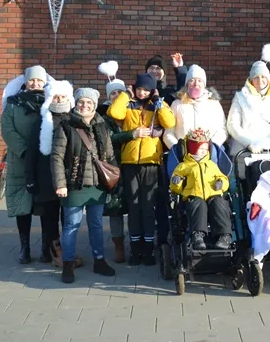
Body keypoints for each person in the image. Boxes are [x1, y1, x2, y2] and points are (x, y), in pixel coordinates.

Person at [50, 88, 117, 284]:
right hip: (74, 185)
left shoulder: (102, 126)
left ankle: (99, 260)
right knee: (71, 225)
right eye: (81, 102)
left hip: (98, 186)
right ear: (76, 104)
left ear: (95, 106)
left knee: (96, 225)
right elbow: (56, 157)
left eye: (89, 103)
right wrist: (60, 184)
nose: (84, 106)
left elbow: (110, 155)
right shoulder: (66, 126)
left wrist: (112, 179)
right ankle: (68, 263)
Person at [109, 73, 176, 266]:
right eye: (139, 89)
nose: (142, 92)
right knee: (134, 206)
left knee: (147, 207)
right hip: (130, 162)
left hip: (151, 161)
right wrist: (125, 94)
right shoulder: (128, 104)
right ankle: (135, 248)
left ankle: (148, 249)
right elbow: (114, 113)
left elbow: (170, 122)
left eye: (146, 90)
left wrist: (158, 101)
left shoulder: (156, 105)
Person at [0, 65, 49, 264]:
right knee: (23, 206)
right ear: (25, 82)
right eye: (32, 80)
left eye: (39, 80)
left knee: (46, 205)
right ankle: (24, 246)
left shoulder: (50, 102)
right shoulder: (13, 104)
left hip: (44, 161)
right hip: (20, 161)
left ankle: (47, 247)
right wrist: (26, 151)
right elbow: (7, 129)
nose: (35, 84)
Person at [30, 80, 73, 267]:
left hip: (69, 177)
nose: (59, 99)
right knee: (49, 217)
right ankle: (52, 249)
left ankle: (65, 250)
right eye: (56, 96)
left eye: (62, 96)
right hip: (46, 176)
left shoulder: (74, 119)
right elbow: (31, 152)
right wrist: (30, 178)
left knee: (68, 216)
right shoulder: (41, 121)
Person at [170, 128, 234, 250]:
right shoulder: (184, 166)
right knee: (198, 204)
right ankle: (198, 235)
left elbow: (223, 177)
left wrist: (221, 182)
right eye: (201, 149)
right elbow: (176, 187)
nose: (204, 152)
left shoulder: (211, 165)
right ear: (193, 149)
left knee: (219, 203)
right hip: (194, 195)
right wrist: (176, 182)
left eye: (206, 149)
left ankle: (224, 235)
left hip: (213, 194)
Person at [227, 44, 270, 157]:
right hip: (246, 152)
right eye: (256, 77)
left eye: (263, 76)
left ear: (268, 78)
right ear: (251, 80)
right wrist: (249, 143)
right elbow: (233, 125)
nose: (260, 80)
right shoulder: (240, 97)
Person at [99, 73, 135, 264]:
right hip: (113, 166)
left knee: (136, 205)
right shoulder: (104, 117)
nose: (117, 96)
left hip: (134, 164)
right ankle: (119, 245)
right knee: (116, 208)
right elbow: (108, 139)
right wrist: (132, 135)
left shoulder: (133, 111)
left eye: (120, 92)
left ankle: (137, 242)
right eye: (113, 93)